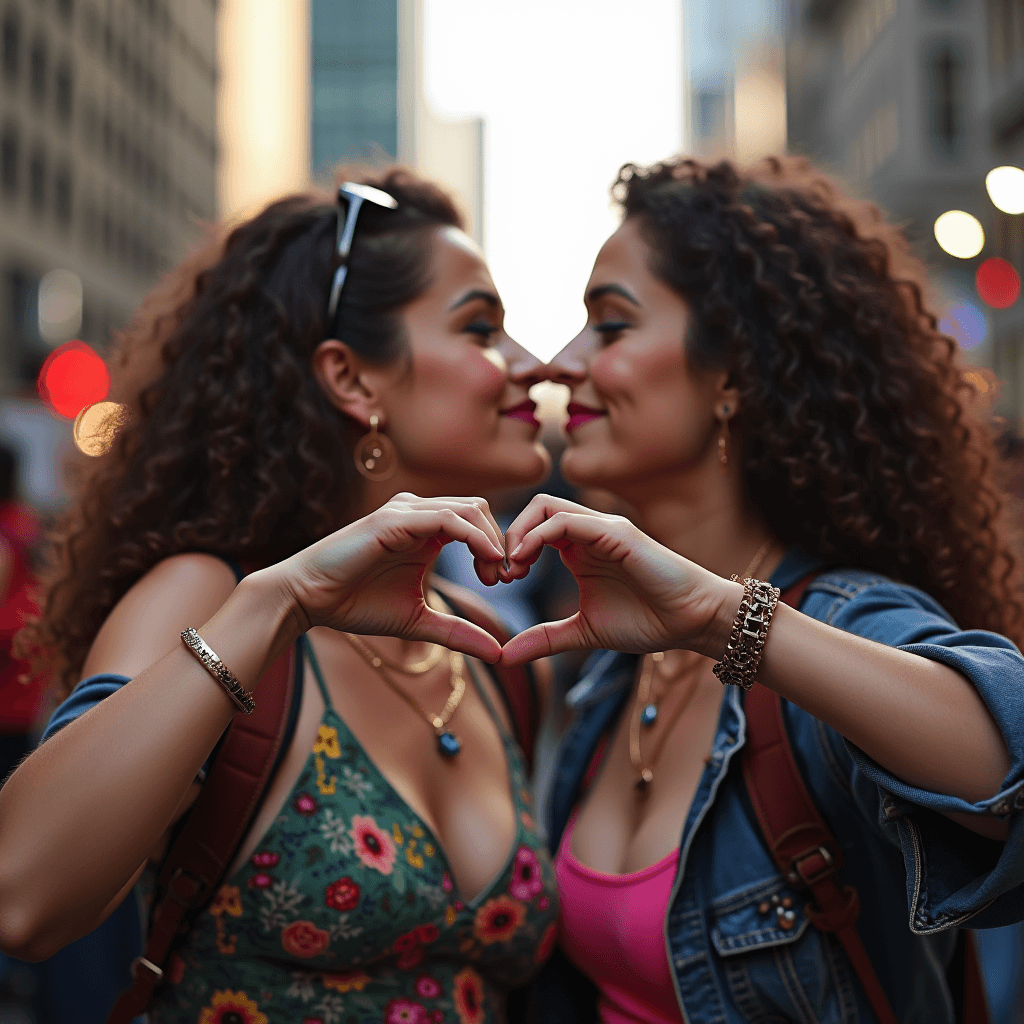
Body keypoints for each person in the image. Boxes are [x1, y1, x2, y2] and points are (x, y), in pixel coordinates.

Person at [0, 168, 559, 1023]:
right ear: (353, 379)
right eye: (482, 328)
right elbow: (25, 896)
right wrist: (281, 601)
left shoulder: (492, 656)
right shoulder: (209, 596)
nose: (533, 366)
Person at [497, 156, 1024, 1024]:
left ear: (731, 369)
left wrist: (721, 617)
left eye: (612, 325)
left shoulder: (844, 621)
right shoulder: (611, 671)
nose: (561, 363)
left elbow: (1007, 769)